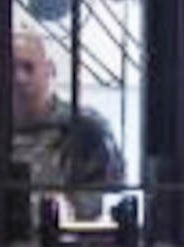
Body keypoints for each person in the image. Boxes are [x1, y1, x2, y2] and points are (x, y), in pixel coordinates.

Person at [12, 30, 125, 223]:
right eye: (11, 68)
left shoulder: (86, 127)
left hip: (68, 245)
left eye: (28, 67)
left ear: (49, 69)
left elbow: (112, 193)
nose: (19, 78)